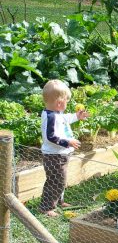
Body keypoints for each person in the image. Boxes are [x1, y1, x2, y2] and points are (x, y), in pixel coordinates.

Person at [39, 79, 89, 217]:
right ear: (59, 103)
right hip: (54, 156)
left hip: (60, 154)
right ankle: (46, 207)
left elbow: (65, 119)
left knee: (61, 179)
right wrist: (67, 142)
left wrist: (76, 116)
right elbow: (51, 137)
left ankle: (59, 201)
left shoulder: (56, 113)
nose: (67, 103)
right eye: (66, 101)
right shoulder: (50, 117)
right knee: (55, 181)